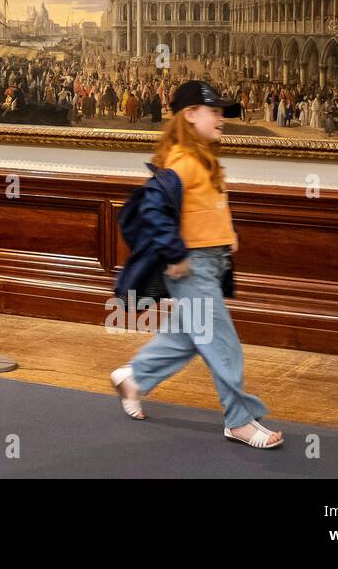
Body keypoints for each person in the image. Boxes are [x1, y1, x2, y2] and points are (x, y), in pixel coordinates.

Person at [110, 80, 283, 449]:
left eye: (223, 112)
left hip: (211, 262)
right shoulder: (181, 161)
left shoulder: (204, 159)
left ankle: (134, 378)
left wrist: (227, 234)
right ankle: (238, 420)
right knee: (223, 343)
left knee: (186, 338)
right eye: (214, 111)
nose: (222, 118)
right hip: (192, 268)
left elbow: (205, 208)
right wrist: (175, 254)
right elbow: (152, 210)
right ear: (190, 115)